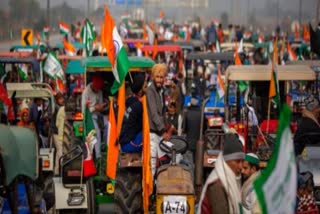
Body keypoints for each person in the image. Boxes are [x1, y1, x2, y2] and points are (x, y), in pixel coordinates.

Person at [198, 133, 244, 214]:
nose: (241, 166)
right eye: (237, 161)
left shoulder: (228, 180)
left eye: (242, 161)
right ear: (226, 161)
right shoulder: (217, 185)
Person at [146, 64, 170, 178]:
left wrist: (166, 128)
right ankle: (150, 192)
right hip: (153, 132)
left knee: (167, 159)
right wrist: (162, 130)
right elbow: (154, 114)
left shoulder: (162, 91)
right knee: (153, 164)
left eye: (162, 77)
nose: (160, 80)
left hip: (160, 132)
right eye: (158, 77)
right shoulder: (150, 91)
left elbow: (163, 112)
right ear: (153, 77)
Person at [82, 74, 108, 159]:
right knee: (96, 131)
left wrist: (103, 105)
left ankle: (106, 148)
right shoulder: (86, 92)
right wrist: (94, 108)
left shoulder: (99, 91)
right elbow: (84, 111)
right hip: (90, 116)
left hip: (99, 114)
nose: (97, 91)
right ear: (93, 85)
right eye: (96, 89)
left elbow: (100, 105)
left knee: (108, 124)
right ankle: (98, 156)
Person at [119, 74, 147, 153]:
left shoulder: (132, 101)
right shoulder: (139, 105)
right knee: (150, 132)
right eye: (145, 87)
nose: (148, 89)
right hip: (128, 144)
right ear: (140, 91)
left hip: (124, 142)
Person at [52, 92, 65, 175]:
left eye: (62, 98)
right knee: (60, 150)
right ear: (57, 100)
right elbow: (57, 123)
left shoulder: (57, 107)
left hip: (56, 131)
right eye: (60, 99)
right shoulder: (58, 108)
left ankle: (56, 170)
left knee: (58, 151)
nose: (62, 100)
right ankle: (63, 168)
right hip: (57, 132)